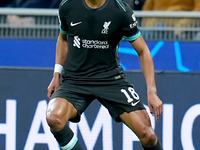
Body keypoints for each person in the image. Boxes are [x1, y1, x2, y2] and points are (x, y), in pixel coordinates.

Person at [46, 0, 163, 149]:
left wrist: (152, 91)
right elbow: (63, 38)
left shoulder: (121, 11)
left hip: (110, 80)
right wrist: (57, 73)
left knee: (148, 135)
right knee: (53, 117)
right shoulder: (68, 5)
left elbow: (143, 51)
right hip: (75, 80)